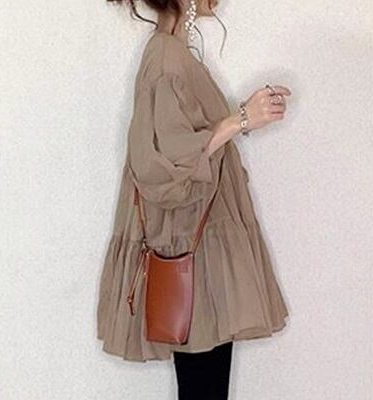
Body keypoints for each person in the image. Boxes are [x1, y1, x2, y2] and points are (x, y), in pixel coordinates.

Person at [97, 0, 291, 398]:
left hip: (198, 249)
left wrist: (240, 120)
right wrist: (240, 119)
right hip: (192, 253)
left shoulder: (173, 53)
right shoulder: (167, 58)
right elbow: (160, 167)